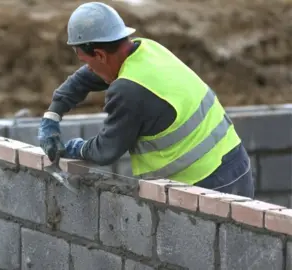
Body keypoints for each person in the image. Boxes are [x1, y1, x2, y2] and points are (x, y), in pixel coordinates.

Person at [37, 2, 255, 198]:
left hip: (210, 185)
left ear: (101, 55)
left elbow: (106, 150)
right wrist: (52, 115)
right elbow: (84, 79)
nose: (89, 69)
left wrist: (76, 148)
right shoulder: (147, 49)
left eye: (89, 62)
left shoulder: (128, 91)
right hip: (236, 163)